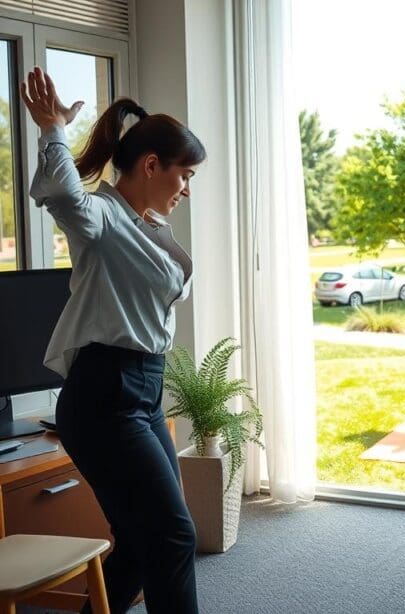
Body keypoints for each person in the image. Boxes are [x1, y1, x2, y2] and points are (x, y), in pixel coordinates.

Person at [21, 67, 205, 613]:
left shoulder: (145, 226)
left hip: (143, 393)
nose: (187, 190)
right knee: (174, 539)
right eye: (185, 175)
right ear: (151, 165)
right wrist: (53, 130)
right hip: (105, 397)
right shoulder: (101, 217)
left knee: (145, 540)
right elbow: (62, 191)